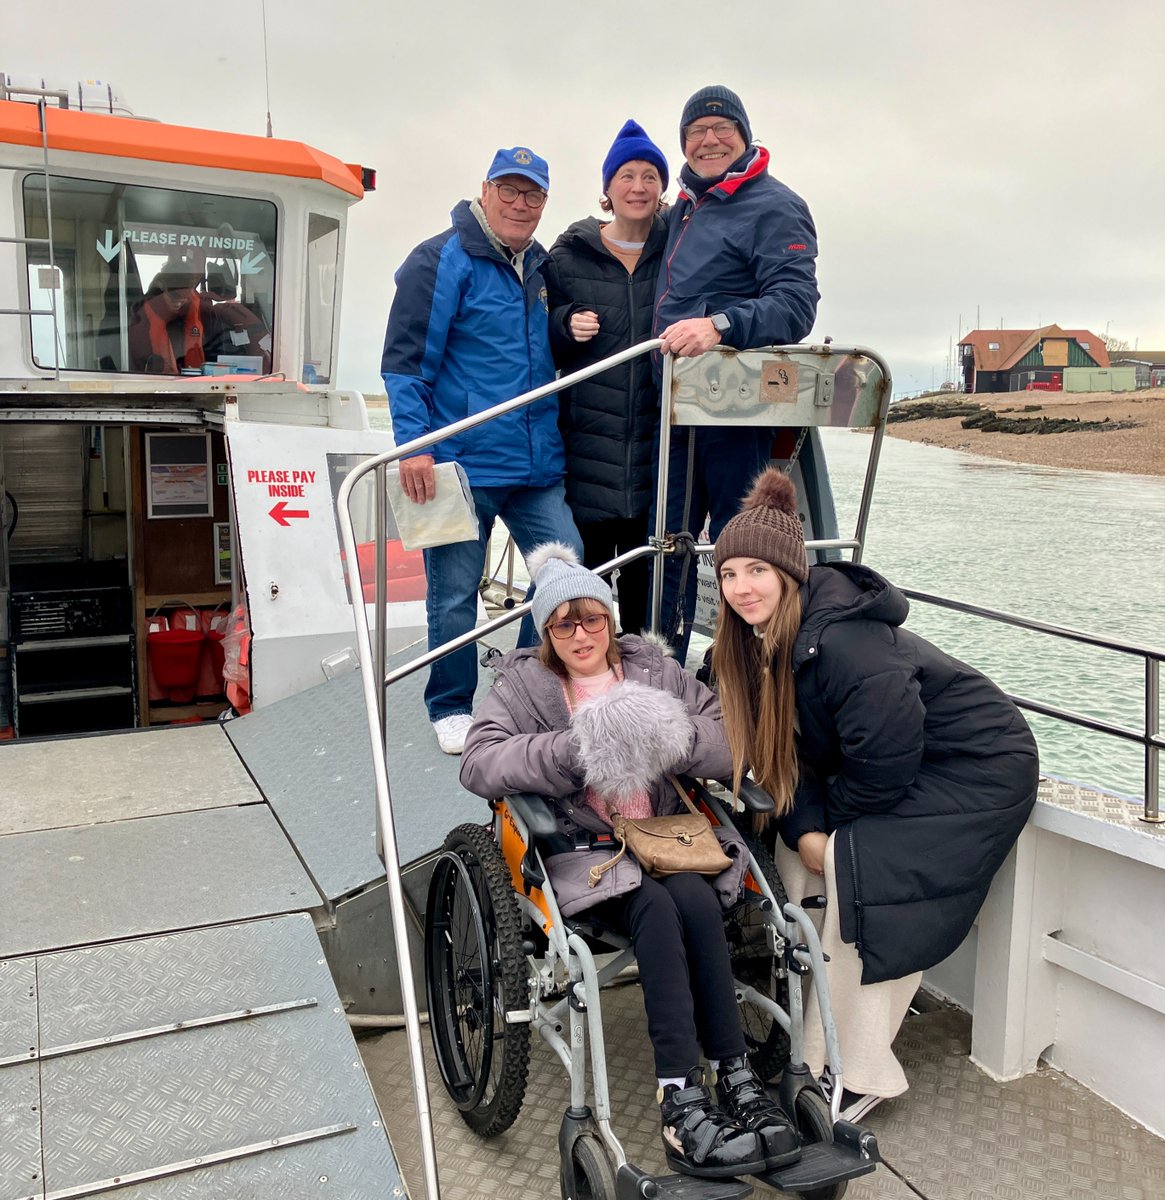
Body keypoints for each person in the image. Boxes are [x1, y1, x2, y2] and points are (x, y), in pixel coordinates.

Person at [460, 543, 800, 1180]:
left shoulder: (653, 667)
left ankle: (734, 1074)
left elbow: (729, 739)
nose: (581, 633)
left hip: (667, 837)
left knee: (697, 898)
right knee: (654, 909)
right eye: (564, 623)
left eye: (592, 617)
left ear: (610, 619)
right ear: (545, 631)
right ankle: (678, 1096)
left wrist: (666, 730)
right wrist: (574, 746)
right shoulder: (520, 682)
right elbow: (480, 762)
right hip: (583, 851)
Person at [710, 468, 1040, 1120]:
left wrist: (829, 838)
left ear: (788, 572)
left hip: (979, 768)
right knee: (794, 855)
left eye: (755, 571)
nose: (741, 587)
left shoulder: (842, 640)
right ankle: (808, 1029)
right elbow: (790, 761)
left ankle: (851, 1071)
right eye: (728, 575)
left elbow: (885, 759)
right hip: (905, 767)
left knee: (857, 871)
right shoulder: (765, 644)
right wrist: (803, 827)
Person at [381, 147, 584, 755]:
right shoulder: (439, 258)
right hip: (459, 466)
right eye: (511, 190)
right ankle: (449, 705)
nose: (522, 204)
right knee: (452, 593)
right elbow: (405, 363)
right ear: (486, 190)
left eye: (534, 195)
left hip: (535, 463)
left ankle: (525, 686)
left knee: (564, 571)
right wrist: (415, 448)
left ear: (544, 203)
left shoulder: (541, 268)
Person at [653, 85, 819, 664]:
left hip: (733, 415)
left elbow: (797, 303)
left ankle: (746, 673)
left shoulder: (773, 204)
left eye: (722, 128)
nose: (709, 139)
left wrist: (719, 325)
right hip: (674, 413)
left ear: (745, 136)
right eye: (696, 131)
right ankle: (667, 669)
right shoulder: (684, 210)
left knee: (737, 549)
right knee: (668, 547)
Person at [543, 119, 670, 635]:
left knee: (647, 598)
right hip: (586, 459)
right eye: (627, 176)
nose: (638, 187)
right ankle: (585, 700)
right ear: (608, 189)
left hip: (654, 457)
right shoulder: (569, 253)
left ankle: (648, 702)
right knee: (586, 599)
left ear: (663, 189)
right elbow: (536, 331)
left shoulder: (680, 251)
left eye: (649, 177)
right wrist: (563, 324)